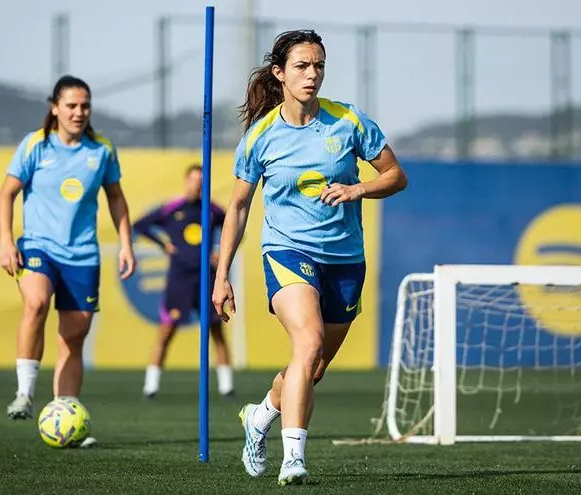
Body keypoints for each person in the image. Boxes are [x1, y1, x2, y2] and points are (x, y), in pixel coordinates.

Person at [211, 30, 408, 485]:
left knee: (312, 367)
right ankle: (293, 459)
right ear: (279, 74)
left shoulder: (349, 121)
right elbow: (238, 208)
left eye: (318, 65)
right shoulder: (260, 137)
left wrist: (358, 188)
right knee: (309, 343)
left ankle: (259, 417)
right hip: (286, 251)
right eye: (302, 66)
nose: (312, 74)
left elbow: (396, 176)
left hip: (345, 259)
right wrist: (222, 276)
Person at [0, 75, 136, 447]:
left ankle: (65, 415)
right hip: (38, 247)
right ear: (54, 107)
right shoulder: (35, 146)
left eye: (84, 106)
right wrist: (7, 241)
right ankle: (25, 393)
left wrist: (126, 244)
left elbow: (116, 198)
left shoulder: (102, 149)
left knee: (73, 339)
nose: (79, 112)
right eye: (71, 105)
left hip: (83, 256)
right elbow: (6, 195)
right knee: (37, 302)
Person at [132, 164, 233, 398]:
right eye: (194, 180)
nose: (197, 185)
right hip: (180, 277)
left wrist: (219, 250)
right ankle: (151, 385)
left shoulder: (212, 210)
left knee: (216, 330)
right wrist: (162, 244)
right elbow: (140, 225)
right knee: (167, 331)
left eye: (201, 181)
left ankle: (226, 385)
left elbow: (234, 225)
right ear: (186, 181)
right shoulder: (172, 209)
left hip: (206, 277)